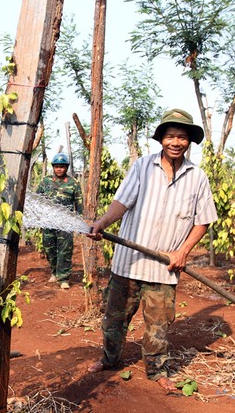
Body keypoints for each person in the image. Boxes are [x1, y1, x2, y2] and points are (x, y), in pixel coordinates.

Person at [86, 108, 218, 392]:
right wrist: (102, 222)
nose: (175, 142)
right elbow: (121, 203)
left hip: (163, 268)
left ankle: (157, 370)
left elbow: (203, 221)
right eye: (170, 136)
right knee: (114, 319)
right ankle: (109, 359)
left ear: (189, 142)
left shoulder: (197, 177)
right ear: (161, 139)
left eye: (181, 137)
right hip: (128, 263)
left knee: (158, 326)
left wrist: (183, 252)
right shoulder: (142, 167)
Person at [36, 152, 83, 289]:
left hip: (65, 223)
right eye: (57, 167)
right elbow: (37, 199)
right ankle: (54, 272)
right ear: (53, 167)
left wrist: (79, 220)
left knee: (65, 250)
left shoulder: (73, 183)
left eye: (62, 167)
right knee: (49, 248)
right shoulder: (46, 181)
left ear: (66, 167)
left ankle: (63, 278)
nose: (59, 169)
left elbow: (79, 203)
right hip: (48, 222)